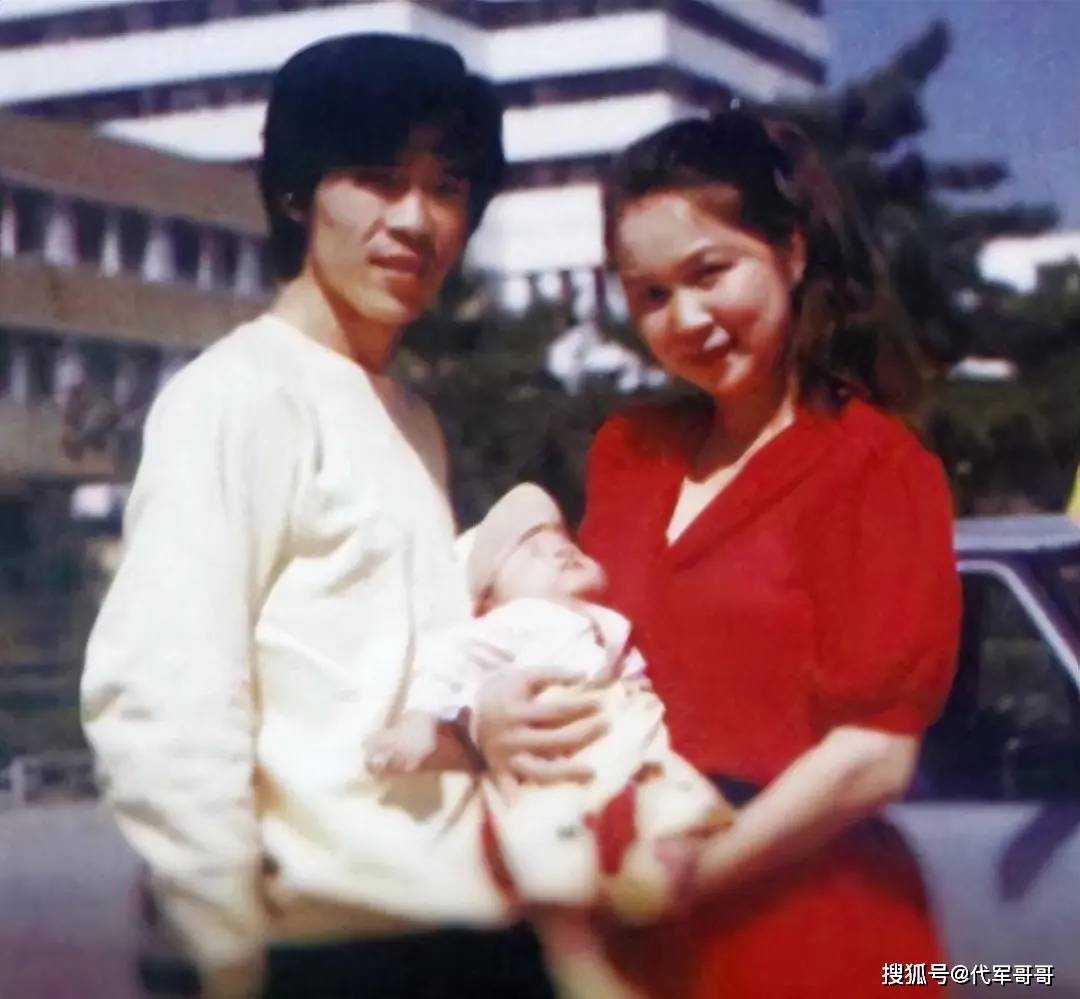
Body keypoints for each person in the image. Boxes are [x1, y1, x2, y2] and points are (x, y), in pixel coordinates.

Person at [81, 34, 594, 999]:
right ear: (296, 193)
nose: (416, 220)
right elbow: (165, 693)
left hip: (458, 931)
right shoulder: (237, 395)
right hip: (320, 953)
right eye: (377, 179)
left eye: (447, 187)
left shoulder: (408, 415)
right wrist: (226, 952)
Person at [570, 109, 962, 996]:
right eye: (651, 294)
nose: (687, 318)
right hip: (632, 938)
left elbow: (875, 753)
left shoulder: (874, 467)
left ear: (791, 251)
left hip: (810, 933)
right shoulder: (628, 453)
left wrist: (686, 884)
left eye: (710, 272)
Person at [365, 482, 731, 987]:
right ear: (488, 600)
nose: (559, 549)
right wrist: (419, 723)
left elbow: (638, 683)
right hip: (557, 766)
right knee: (556, 876)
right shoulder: (514, 622)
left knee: (673, 816)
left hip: (631, 756)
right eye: (533, 552)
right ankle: (586, 965)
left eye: (564, 541)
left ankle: (648, 888)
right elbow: (448, 660)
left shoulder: (609, 624)